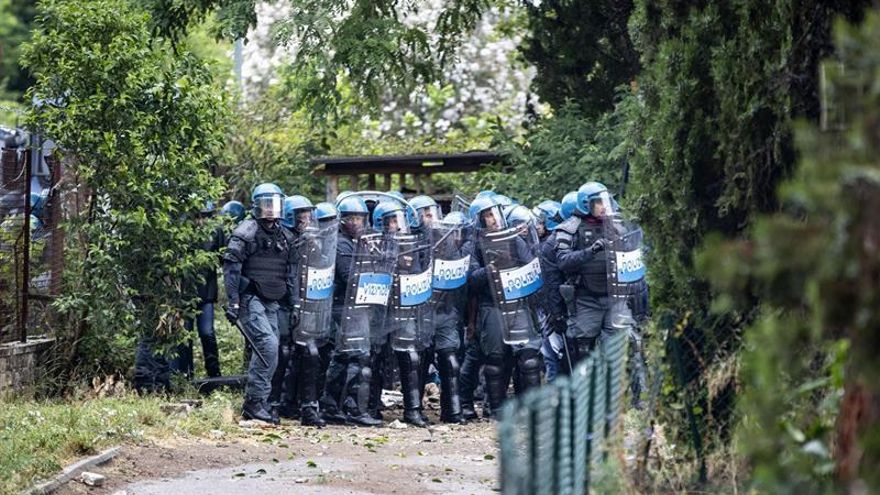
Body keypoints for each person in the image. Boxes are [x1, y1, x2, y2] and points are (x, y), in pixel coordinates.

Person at [222, 183, 295, 423]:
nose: (271, 210)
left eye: (275, 204)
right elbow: (231, 269)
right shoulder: (246, 232)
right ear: (256, 206)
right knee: (267, 346)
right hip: (250, 299)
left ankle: (261, 401)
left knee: (273, 351)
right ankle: (253, 403)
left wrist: (294, 303)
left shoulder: (283, 235)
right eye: (266, 204)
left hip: (272, 301)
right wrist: (233, 303)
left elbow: (289, 271)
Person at [468, 194, 543, 416]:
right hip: (491, 305)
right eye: (488, 215)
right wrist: (489, 270)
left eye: (495, 213)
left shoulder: (514, 240)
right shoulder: (475, 245)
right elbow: (470, 280)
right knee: (495, 360)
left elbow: (531, 267)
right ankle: (496, 409)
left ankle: (533, 409)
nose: (494, 219)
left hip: (518, 304)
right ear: (480, 220)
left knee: (529, 359)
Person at [319, 195, 383, 426]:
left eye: (359, 218)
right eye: (351, 218)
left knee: (344, 357)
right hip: (345, 307)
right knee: (358, 356)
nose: (356, 223)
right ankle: (354, 409)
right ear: (342, 220)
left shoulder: (357, 242)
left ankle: (332, 406)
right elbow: (349, 277)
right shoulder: (341, 244)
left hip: (356, 307)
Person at [555, 181, 619, 367]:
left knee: (615, 351)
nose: (604, 206)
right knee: (583, 352)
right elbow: (563, 261)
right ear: (586, 204)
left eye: (605, 201)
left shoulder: (616, 225)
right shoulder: (570, 229)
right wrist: (590, 251)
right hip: (585, 300)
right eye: (598, 202)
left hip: (614, 297)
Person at [171, 201, 224, 380]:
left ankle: (214, 374)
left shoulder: (216, 231)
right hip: (184, 294)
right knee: (185, 336)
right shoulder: (181, 231)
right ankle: (186, 376)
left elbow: (223, 258)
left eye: (206, 216)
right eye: (198, 216)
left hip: (206, 293)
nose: (201, 220)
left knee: (207, 333)